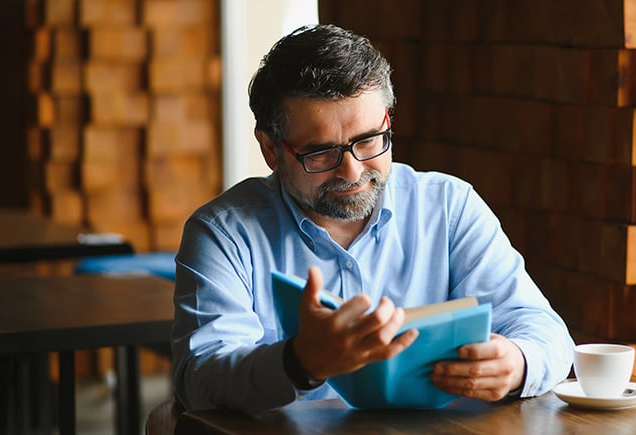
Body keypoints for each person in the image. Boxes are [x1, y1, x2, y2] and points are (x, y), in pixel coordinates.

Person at [171, 24, 575, 414]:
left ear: (387, 123)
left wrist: (519, 362)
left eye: (367, 141)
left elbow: (541, 327)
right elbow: (199, 379)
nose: (351, 171)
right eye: (321, 153)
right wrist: (298, 363)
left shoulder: (449, 207)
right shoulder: (224, 233)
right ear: (271, 149)